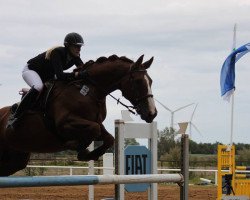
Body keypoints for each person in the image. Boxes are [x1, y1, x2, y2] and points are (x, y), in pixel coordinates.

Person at [7, 32, 87, 129]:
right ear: (68, 46)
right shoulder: (57, 52)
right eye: (76, 46)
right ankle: (15, 116)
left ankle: (30, 94)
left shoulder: (75, 57)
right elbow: (60, 75)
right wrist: (77, 74)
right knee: (38, 87)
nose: (79, 49)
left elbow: (83, 69)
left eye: (80, 47)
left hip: (47, 75)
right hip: (31, 70)